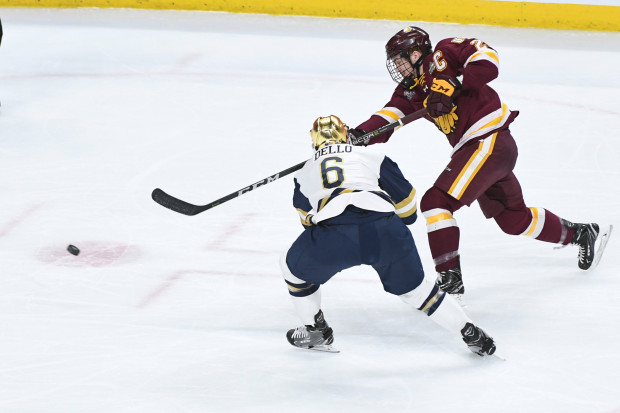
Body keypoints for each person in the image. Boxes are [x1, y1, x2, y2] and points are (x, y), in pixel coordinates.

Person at [348, 26, 612, 298]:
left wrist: (455, 84)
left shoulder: (443, 54)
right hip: (484, 150)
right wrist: (356, 136)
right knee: (513, 220)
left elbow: (488, 58)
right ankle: (582, 234)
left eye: (400, 60)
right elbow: (387, 118)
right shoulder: (410, 93)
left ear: (416, 54)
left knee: (436, 203)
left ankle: (450, 283)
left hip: (488, 140)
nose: (398, 68)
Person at [280, 114, 496, 357]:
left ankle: (315, 330)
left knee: (292, 270)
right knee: (419, 292)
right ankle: (470, 331)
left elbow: (306, 218)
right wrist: (400, 224)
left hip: (335, 235)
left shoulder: (304, 172)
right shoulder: (373, 155)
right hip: (385, 228)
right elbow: (407, 204)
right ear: (346, 135)